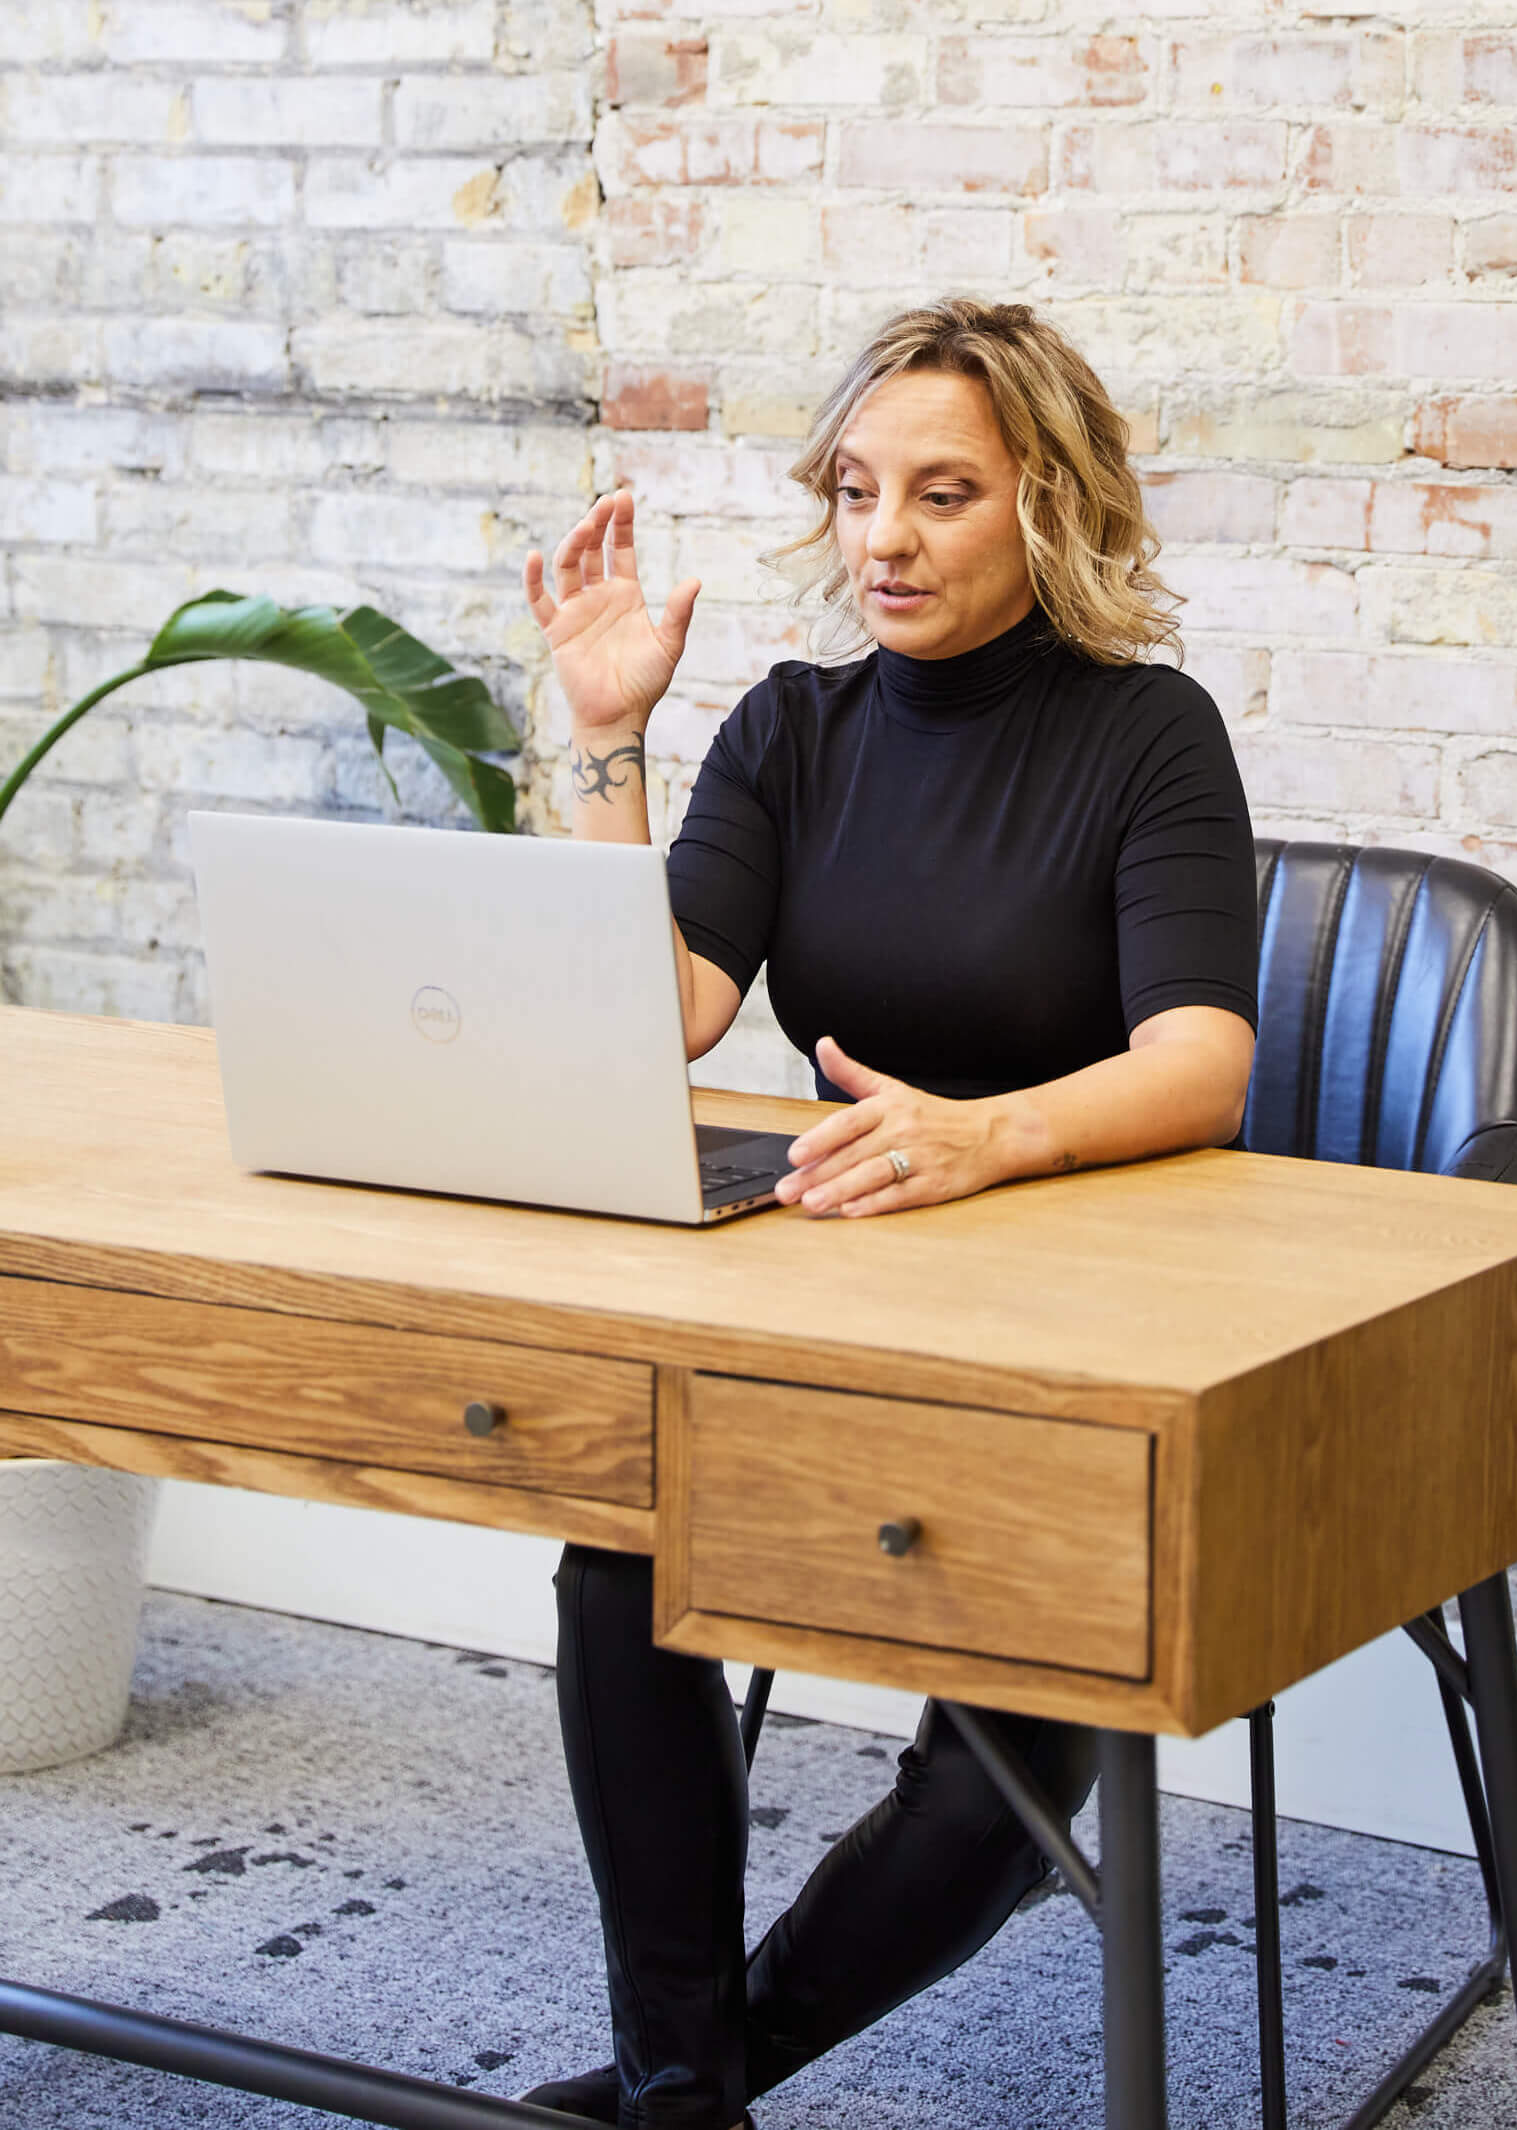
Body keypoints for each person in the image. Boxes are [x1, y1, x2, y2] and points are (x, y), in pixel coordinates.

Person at [518, 298, 1259, 2130]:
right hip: (828, 1287)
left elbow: (1202, 1062)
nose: (885, 537)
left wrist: (986, 1138)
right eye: (857, 491)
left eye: (943, 493)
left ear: (1048, 510)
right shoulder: (793, 728)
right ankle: (687, 2090)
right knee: (622, 1548)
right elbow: (660, 1016)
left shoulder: (1149, 736)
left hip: (1074, 1316)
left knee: (1014, 1751)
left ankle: (691, 2077)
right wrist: (604, 740)